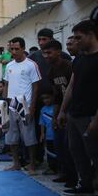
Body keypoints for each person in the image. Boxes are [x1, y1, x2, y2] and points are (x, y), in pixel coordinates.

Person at [58, 20, 98, 195]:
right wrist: (62, 111)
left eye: (79, 37)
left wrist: (96, 120)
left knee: (95, 154)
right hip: (75, 114)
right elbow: (71, 87)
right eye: (74, 38)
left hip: (91, 115)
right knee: (76, 152)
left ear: (91, 35)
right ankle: (86, 185)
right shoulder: (79, 58)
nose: (76, 41)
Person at [28, 28, 72, 164]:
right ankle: (39, 158)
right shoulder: (34, 57)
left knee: (59, 133)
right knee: (39, 129)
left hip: (60, 102)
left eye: (44, 39)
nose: (41, 43)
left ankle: (60, 165)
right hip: (39, 98)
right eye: (39, 39)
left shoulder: (65, 59)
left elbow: (69, 87)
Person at [42, 39, 77, 187]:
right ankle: (65, 173)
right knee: (59, 145)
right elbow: (57, 96)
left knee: (71, 146)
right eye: (44, 53)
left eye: (49, 52)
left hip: (73, 110)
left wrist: (65, 112)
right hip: (61, 111)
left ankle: (75, 178)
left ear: (58, 51)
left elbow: (74, 91)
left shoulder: (69, 67)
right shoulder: (51, 72)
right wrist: (55, 116)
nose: (46, 56)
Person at [3, 37, 41, 175]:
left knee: (29, 137)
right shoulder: (9, 66)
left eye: (16, 49)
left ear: (23, 48)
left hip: (25, 105)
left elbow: (36, 87)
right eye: (11, 49)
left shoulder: (31, 65)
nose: (13, 51)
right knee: (11, 137)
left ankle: (32, 165)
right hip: (11, 105)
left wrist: (32, 108)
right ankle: (16, 164)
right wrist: (4, 104)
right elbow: (6, 85)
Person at [38, 94, 56, 175]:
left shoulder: (56, 107)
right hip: (48, 135)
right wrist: (42, 134)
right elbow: (42, 123)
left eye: (47, 97)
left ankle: (60, 167)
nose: (46, 100)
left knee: (58, 151)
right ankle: (51, 167)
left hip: (56, 135)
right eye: (44, 99)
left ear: (52, 97)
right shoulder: (43, 110)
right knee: (49, 152)